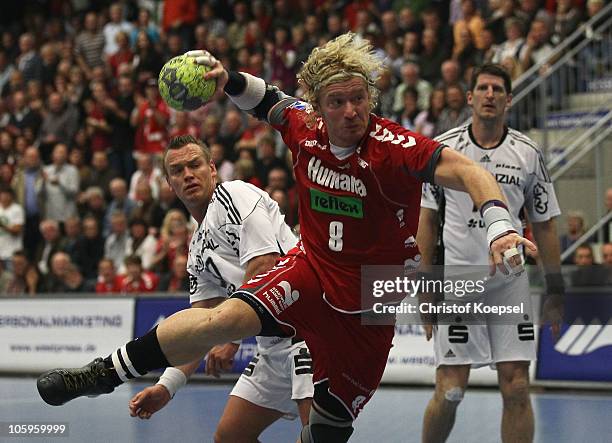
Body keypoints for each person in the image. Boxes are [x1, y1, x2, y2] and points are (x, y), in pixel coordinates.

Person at [38, 35, 532, 442]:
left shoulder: (394, 148)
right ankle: (102, 374)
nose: (350, 111)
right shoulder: (305, 127)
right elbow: (268, 101)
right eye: (336, 102)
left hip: (369, 299)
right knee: (226, 315)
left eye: (359, 98)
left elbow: (469, 172)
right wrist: (226, 78)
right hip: (312, 269)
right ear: (318, 106)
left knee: (326, 432)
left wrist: (500, 226)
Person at [127, 135, 312, 441]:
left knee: (316, 435)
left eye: (194, 165)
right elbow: (197, 328)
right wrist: (166, 386)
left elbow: (265, 267)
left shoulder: (234, 194)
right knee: (229, 438)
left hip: (310, 334)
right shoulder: (197, 249)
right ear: (170, 185)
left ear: (212, 169)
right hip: (272, 349)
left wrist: (233, 338)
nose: (187, 174)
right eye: (177, 170)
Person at [419, 63, 563, 443]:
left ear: (509, 99)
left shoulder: (528, 152)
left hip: (510, 282)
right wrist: (425, 286)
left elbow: (545, 224)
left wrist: (556, 289)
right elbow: (427, 223)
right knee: (451, 390)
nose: (489, 95)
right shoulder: (443, 149)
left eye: (498, 89)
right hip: (458, 281)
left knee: (517, 387)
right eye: (482, 88)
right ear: (469, 97)